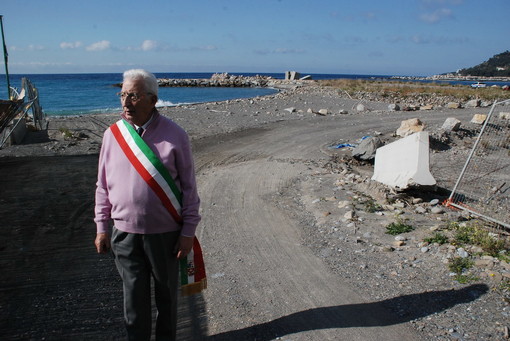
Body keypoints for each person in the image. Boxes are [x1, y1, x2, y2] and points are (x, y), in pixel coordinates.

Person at [94, 69, 201, 341]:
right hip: (124, 235)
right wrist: (101, 227)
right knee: (134, 302)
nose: (126, 102)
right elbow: (102, 186)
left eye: (134, 95)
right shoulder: (112, 135)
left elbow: (189, 188)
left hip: (166, 236)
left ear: (153, 100)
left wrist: (188, 232)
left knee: (167, 300)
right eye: (123, 94)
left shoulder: (175, 135)